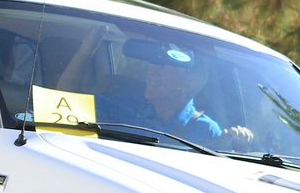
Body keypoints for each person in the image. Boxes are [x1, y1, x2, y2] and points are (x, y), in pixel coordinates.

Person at [101, 44, 254, 148]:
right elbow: (79, 109)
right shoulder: (128, 109)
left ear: (188, 85)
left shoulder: (206, 130)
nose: (151, 72)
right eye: (153, 66)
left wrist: (236, 142)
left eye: (162, 68)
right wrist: (84, 52)